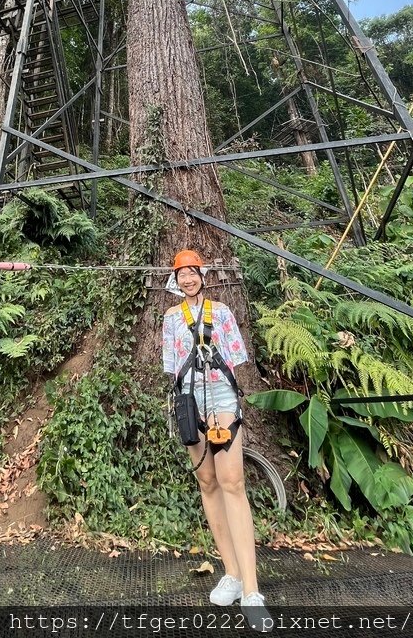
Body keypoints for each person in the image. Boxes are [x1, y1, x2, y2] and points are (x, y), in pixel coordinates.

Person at [162, 249, 274, 632]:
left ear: (202, 276)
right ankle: (232, 573)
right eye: (182, 274)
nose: (188, 279)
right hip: (188, 400)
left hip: (222, 397)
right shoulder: (170, 318)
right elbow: (171, 366)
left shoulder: (222, 312)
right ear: (175, 281)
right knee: (207, 483)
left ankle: (253, 590)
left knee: (232, 483)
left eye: (193, 273)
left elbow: (235, 358)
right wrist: (182, 405)